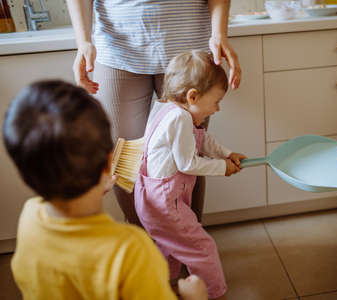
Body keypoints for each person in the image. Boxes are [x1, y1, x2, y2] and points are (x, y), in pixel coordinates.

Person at [3, 80, 208, 300]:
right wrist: (192, 297)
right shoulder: (130, 249)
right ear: (109, 162)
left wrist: (99, 185)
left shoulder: (29, 217)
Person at [66, 0, 242, 227]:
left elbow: (191, 159)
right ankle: (146, 249)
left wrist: (219, 33)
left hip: (188, 49)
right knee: (124, 160)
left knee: (189, 150)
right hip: (117, 46)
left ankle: (189, 240)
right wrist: (83, 41)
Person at [134, 50, 246, 300]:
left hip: (153, 199)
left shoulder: (165, 108)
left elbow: (202, 139)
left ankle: (168, 289)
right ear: (192, 96)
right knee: (201, 247)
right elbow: (187, 163)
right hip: (166, 203)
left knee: (169, 246)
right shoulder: (180, 119)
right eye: (215, 101)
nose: (217, 109)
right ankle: (215, 294)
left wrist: (227, 154)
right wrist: (222, 167)